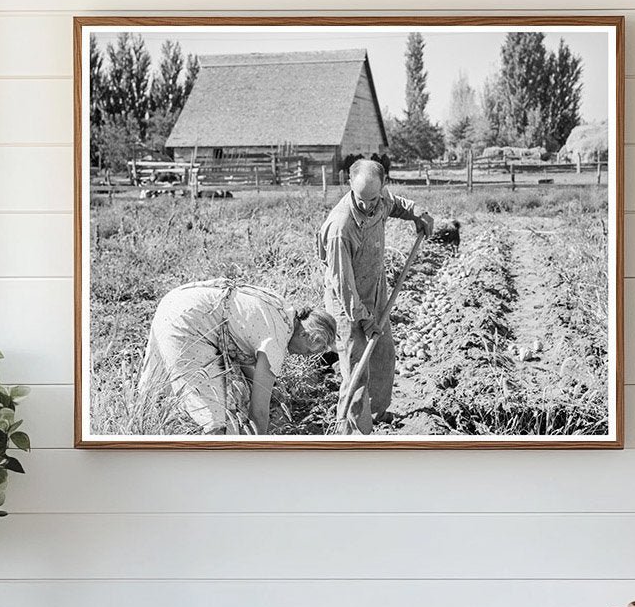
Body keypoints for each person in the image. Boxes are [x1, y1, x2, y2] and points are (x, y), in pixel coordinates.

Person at [317, 159, 434, 433]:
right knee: (357, 368)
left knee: (383, 354)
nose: (368, 206)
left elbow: (397, 204)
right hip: (347, 303)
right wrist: (364, 319)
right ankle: (356, 432)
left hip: (375, 289)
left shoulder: (379, 200)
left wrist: (418, 213)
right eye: (362, 199)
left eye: (373, 198)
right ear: (349, 184)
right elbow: (343, 284)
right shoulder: (341, 227)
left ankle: (378, 415)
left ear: (382, 187)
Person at [138, 280, 337, 435]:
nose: (304, 356)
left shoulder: (283, 311)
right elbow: (258, 413)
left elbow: (246, 354)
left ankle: (145, 432)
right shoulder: (276, 342)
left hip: (177, 300)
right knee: (214, 417)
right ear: (304, 334)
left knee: (155, 393)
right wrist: (259, 452)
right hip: (188, 321)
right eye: (310, 350)